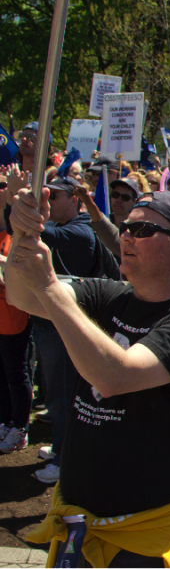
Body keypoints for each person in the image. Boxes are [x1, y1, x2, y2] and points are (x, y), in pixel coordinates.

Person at [7, 189, 170, 567]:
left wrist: (48, 286)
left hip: (146, 536)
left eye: (143, 229)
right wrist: (22, 239)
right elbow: (21, 296)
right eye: (126, 226)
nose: (126, 234)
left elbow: (114, 376)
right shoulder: (109, 295)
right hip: (79, 519)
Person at [4, 172, 102, 483]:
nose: (49, 201)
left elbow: (33, 233)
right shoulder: (64, 228)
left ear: (74, 199)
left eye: (53, 196)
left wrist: (16, 205)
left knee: (64, 394)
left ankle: (66, 458)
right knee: (57, 393)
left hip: (64, 326)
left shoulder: (80, 232)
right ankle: (62, 447)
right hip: (48, 322)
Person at [0, 183, 32, 453]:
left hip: (15, 316)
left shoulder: (18, 234)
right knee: (2, 373)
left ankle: (20, 428)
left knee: (16, 372)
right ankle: (5, 420)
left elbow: (21, 272)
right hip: (1, 316)